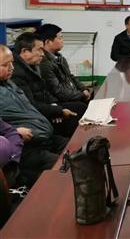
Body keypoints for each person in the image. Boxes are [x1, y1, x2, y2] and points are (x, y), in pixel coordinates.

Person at [0, 45, 67, 187]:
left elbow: (29, 109)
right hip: (26, 148)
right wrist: (16, 132)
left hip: (43, 139)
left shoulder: (9, 84)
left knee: (77, 149)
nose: (12, 67)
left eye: (12, 63)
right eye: (5, 65)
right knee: (63, 167)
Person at [11, 32, 86, 137]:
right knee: (77, 113)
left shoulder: (33, 66)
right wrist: (57, 111)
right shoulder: (17, 73)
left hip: (46, 107)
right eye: (39, 50)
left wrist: (54, 106)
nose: (43, 54)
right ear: (25, 51)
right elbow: (31, 105)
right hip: (35, 116)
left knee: (80, 107)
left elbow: (45, 92)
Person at [35, 24, 91, 103]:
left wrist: (83, 88)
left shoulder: (60, 58)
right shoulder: (44, 64)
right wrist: (81, 95)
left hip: (71, 94)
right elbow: (58, 91)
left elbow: (70, 76)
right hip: (61, 101)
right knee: (83, 105)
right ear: (48, 42)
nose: (62, 41)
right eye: (60, 38)